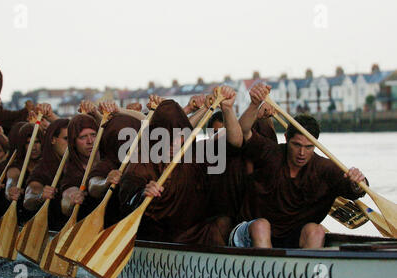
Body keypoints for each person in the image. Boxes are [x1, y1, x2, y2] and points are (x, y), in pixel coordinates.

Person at [229, 83, 368, 249]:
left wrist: (357, 182)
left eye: (308, 147)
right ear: (287, 138)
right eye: (296, 145)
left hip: (293, 238)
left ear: (315, 144)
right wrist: (254, 104)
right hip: (249, 233)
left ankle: (310, 273)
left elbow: (359, 189)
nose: (302, 153)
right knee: (262, 226)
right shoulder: (270, 152)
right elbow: (243, 131)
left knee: (316, 231)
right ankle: (266, 272)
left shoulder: (324, 168)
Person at [117, 86, 242, 246]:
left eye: (179, 136)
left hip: (194, 233)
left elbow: (236, 142)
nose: (174, 144)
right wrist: (142, 193)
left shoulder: (196, 152)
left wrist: (228, 108)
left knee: (222, 223)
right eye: (167, 137)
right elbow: (126, 196)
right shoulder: (141, 160)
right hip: (158, 239)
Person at [22, 118, 70, 230]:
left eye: (73, 139)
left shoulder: (76, 164)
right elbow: (29, 197)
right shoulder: (43, 168)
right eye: (66, 139)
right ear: (53, 140)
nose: (70, 143)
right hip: (52, 233)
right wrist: (40, 196)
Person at [4, 121, 45, 225]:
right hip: (21, 219)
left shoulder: (48, 166)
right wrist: (10, 191)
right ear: (23, 145)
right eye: (28, 143)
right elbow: (11, 181)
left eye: (37, 142)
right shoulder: (16, 168)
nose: (34, 147)